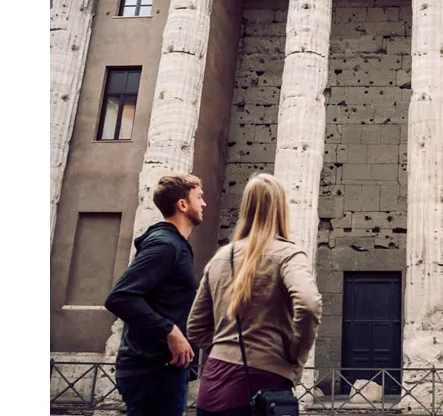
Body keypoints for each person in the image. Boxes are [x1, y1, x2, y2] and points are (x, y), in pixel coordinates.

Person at [188, 173, 322, 416]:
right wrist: (295, 356)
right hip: (263, 385)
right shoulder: (288, 255)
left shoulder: (220, 257)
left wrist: (224, 351)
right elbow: (309, 303)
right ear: (282, 209)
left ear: (245, 208)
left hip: (211, 388)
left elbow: (195, 326)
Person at [105, 174, 206, 416]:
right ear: (182, 204)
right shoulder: (165, 245)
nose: (204, 204)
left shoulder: (173, 244)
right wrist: (169, 331)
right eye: (199, 197)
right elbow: (120, 297)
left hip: (162, 369)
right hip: (153, 371)